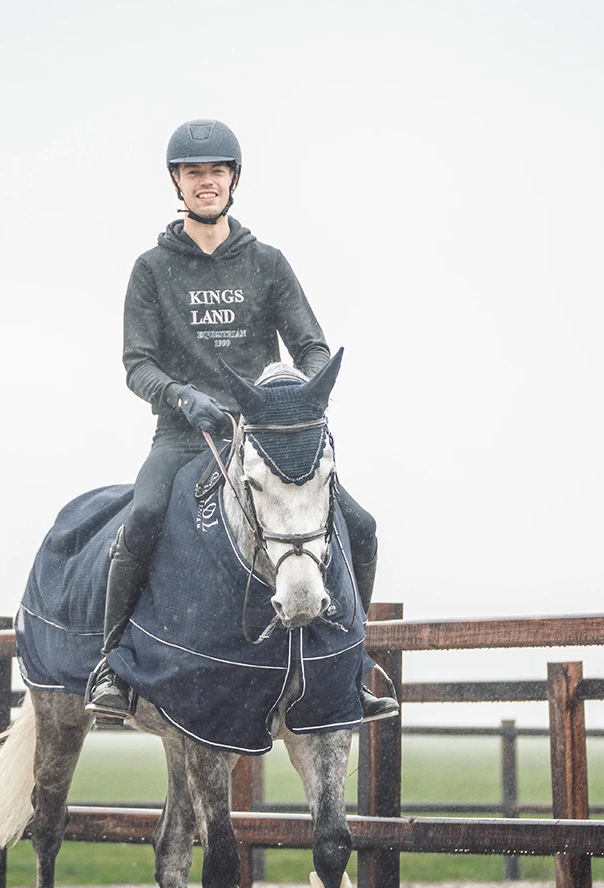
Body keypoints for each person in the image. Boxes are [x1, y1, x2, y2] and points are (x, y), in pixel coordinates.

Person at [86, 118, 396, 722]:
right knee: (144, 516)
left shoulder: (268, 263)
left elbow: (312, 348)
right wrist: (181, 396)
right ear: (177, 183)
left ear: (233, 180)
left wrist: (296, 396)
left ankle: (352, 667)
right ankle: (112, 664)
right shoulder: (151, 268)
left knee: (361, 525)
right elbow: (136, 364)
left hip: (263, 436)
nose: (206, 182)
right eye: (194, 173)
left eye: (216, 172)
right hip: (183, 435)